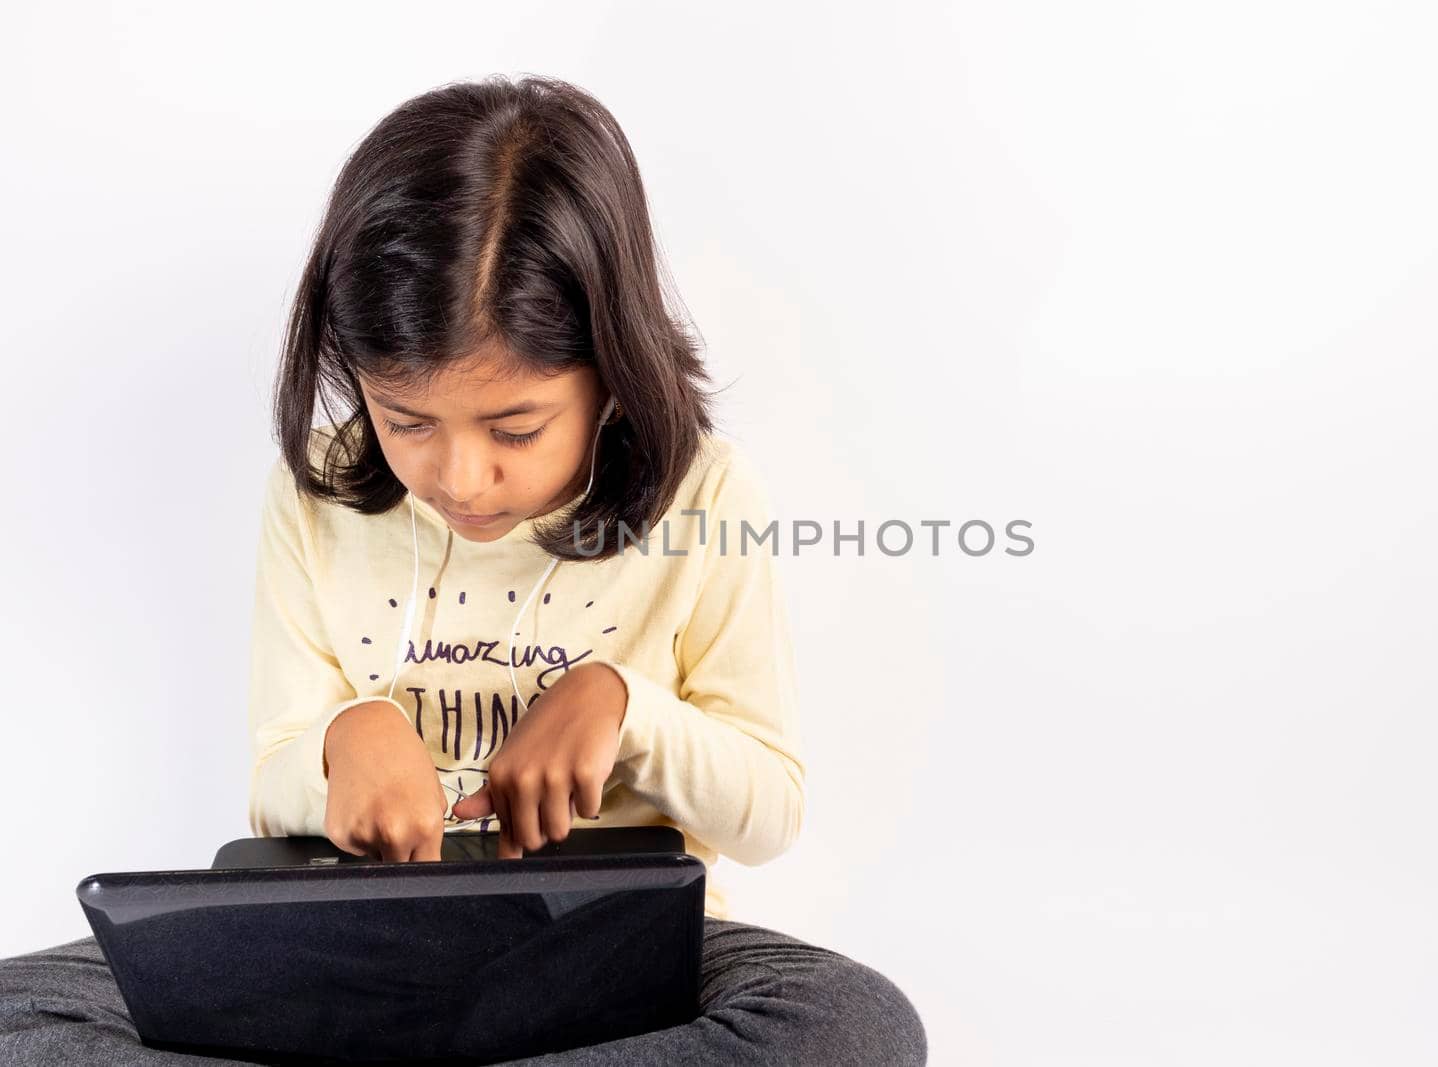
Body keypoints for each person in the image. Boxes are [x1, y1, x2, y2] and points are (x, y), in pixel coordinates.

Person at [0, 74, 927, 1065]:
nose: (458, 475)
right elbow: (273, 781)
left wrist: (625, 706)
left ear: (612, 368)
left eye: (515, 427)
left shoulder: (703, 493)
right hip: (347, 941)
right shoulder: (312, 495)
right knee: (21, 1008)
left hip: (607, 956)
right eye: (405, 420)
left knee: (851, 1018)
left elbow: (767, 813)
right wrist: (344, 739)